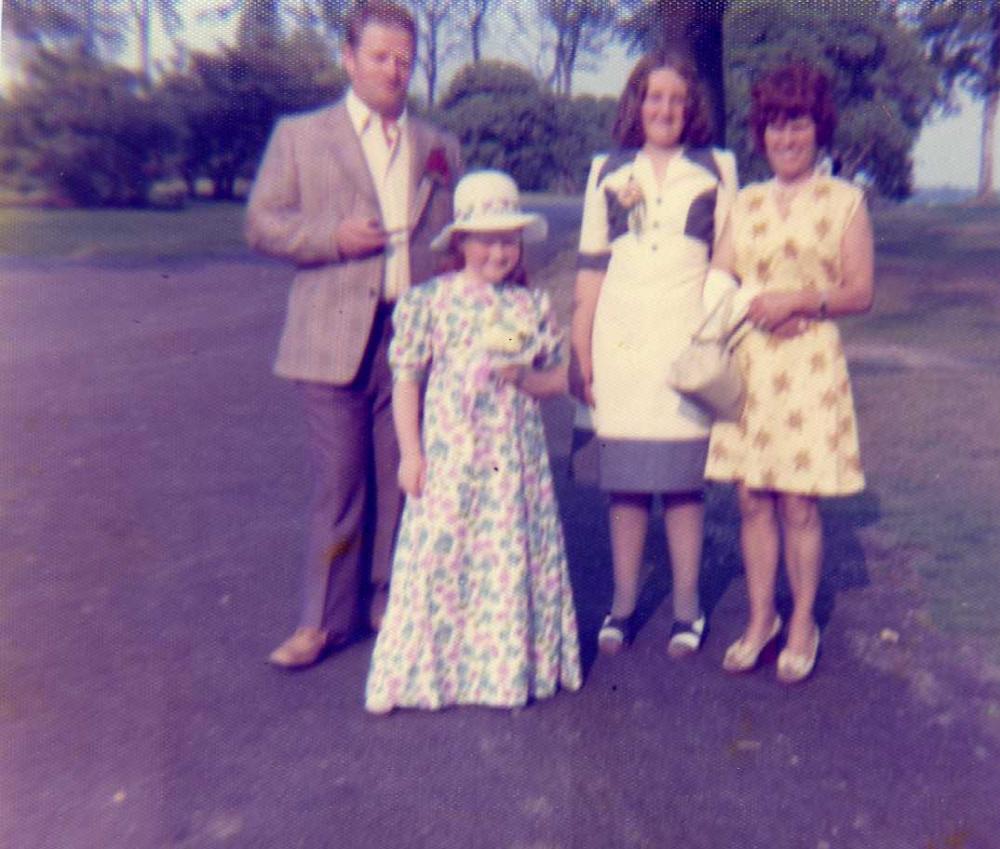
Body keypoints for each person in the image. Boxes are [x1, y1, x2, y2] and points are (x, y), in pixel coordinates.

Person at [245, 1, 462, 668]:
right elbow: (262, 224)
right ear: (348, 58)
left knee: (403, 478)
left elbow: (453, 244)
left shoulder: (440, 148)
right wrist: (330, 239)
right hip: (331, 333)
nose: (393, 71)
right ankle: (321, 621)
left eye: (404, 59)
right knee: (341, 480)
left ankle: (390, 607)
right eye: (379, 57)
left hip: (412, 333)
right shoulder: (301, 137)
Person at [364, 170, 582, 714]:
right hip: (453, 456)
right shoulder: (431, 303)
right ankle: (426, 672)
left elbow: (557, 376)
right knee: (441, 553)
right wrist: (411, 453)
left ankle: (500, 671)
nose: (498, 251)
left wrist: (527, 379)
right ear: (460, 242)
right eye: (485, 239)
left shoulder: (525, 307)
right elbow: (408, 378)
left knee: (503, 555)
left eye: (508, 239)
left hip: (510, 460)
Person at [705, 61, 874, 684]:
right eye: (775, 125)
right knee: (751, 496)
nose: (786, 137)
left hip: (807, 367)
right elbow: (719, 278)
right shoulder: (744, 202)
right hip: (750, 362)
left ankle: (802, 619)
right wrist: (740, 300)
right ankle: (760, 618)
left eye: (798, 123)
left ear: (818, 127)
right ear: (762, 132)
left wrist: (801, 300)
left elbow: (860, 292)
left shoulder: (845, 200)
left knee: (799, 502)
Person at [570, 50, 737, 658]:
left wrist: (709, 324)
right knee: (628, 483)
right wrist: (581, 343)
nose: (664, 108)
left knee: (684, 483)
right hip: (622, 343)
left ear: (691, 107)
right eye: (653, 97)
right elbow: (592, 264)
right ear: (636, 104)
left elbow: (728, 256)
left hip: (685, 341)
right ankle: (622, 604)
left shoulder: (717, 168)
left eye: (676, 98)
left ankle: (688, 609)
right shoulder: (605, 170)